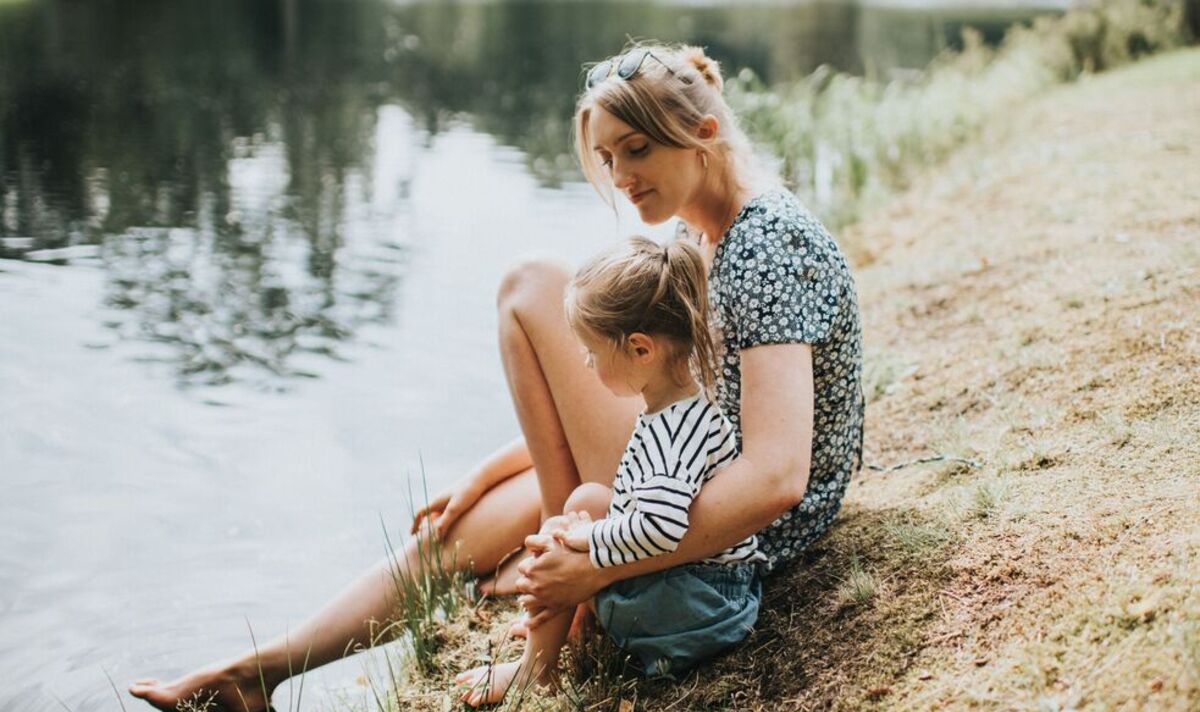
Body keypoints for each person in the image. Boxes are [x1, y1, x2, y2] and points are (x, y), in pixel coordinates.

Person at [129, 42, 862, 711]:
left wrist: (595, 563)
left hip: (740, 522)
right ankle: (261, 672)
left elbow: (776, 478)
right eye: (608, 159)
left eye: (635, 150)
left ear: (704, 136)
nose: (621, 177)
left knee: (532, 286)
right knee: (451, 531)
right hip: (687, 463)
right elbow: (666, 394)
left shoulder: (766, 244)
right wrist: (492, 468)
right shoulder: (696, 230)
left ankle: (559, 589)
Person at [455, 236, 765, 706]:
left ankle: (535, 670)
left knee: (567, 531)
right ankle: (559, 633)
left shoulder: (673, 432)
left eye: (593, 353)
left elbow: (662, 528)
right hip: (710, 593)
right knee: (584, 504)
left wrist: (584, 548)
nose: (584, 362)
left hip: (702, 611)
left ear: (641, 350)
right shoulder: (678, 406)